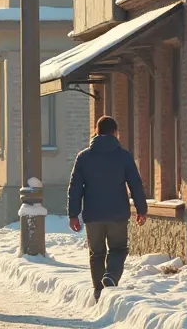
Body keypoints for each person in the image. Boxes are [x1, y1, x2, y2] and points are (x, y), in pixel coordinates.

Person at [67, 116, 147, 301]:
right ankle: (111, 275)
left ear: (96, 131)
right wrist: (141, 209)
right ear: (115, 132)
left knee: (96, 253)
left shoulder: (84, 157)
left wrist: (73, 214)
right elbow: (135, 184)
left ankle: (98, 291)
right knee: (118, 249)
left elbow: (75, 187)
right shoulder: (124, 156)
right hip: (117, 214)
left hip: (93, 215)